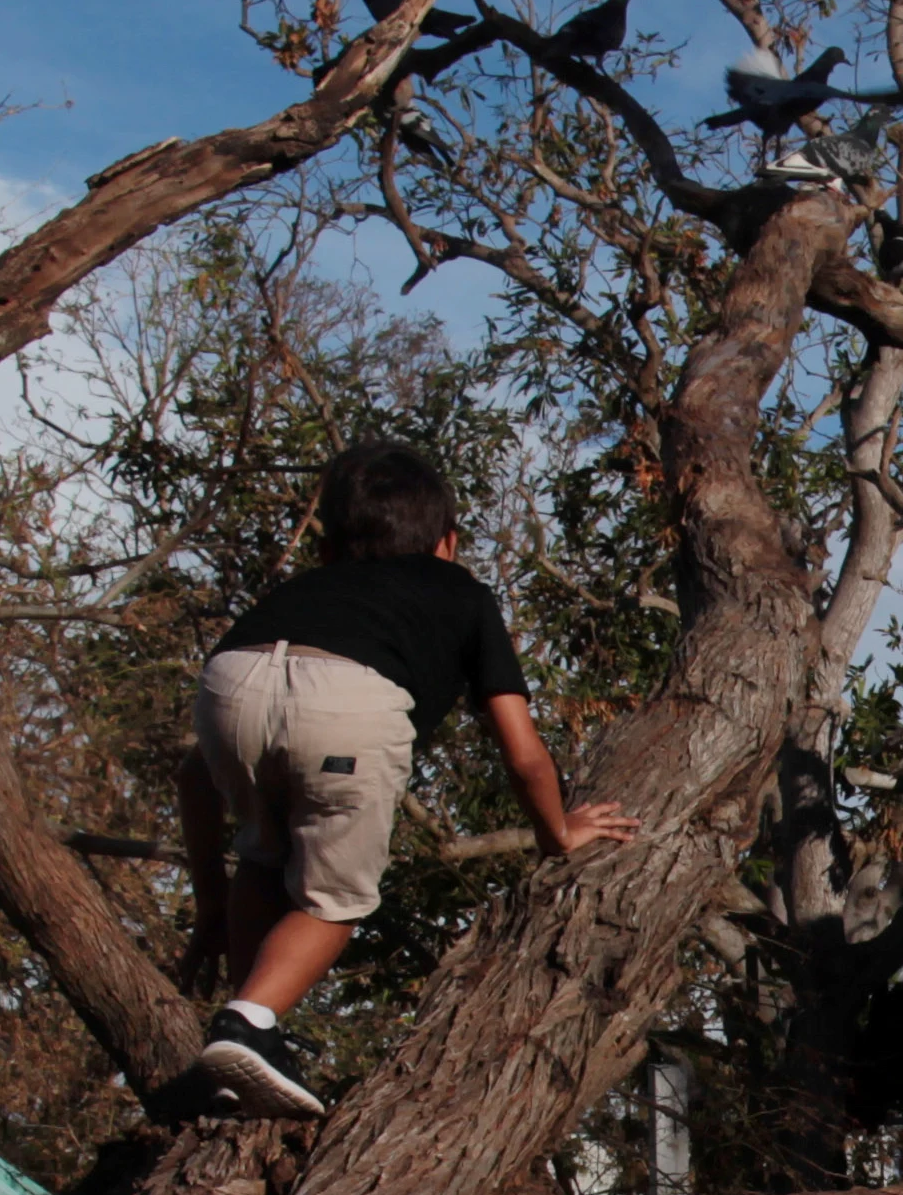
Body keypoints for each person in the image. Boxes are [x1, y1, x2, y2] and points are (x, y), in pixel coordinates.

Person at [181, 440, 636, 1113]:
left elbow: (194, 773)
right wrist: (558, 833)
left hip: (229, 685)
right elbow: (522, 753)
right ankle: (246, 1021)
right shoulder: (462, 593)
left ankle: (249, 1035)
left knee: (263, 854)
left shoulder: (299, 592)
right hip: (349, 706)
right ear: (448, 541)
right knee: (334, 900)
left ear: (329, 547)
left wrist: (211, 903)